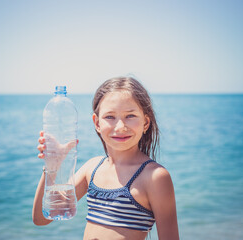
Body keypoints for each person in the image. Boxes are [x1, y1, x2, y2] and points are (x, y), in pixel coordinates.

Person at [32, 76, 179, 240]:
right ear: (97, 123)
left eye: (130, 116)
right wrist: (52, 167)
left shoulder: (154, 176)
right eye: (110, 117)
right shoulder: (92, 168)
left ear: (145, 123)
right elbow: (42, 218)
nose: (120, 127)